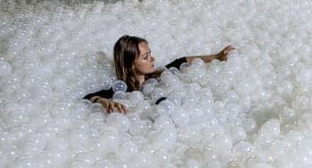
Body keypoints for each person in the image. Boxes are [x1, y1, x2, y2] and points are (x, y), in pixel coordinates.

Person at [84, 35, 234, 113]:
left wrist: (215, 57)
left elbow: (182, 61)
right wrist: (103, 101)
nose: (152, 59)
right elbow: (88, 97)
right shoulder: (124, 90)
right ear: (130, 65)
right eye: (145, 57)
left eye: (150, 53)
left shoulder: (159, 75)